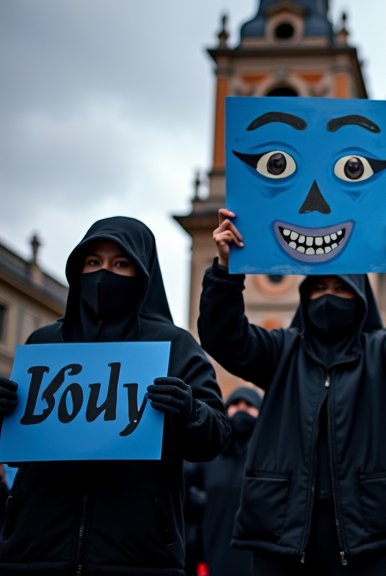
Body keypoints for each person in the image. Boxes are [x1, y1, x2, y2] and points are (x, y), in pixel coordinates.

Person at [198, 209, 386, 575]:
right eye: (319, 288)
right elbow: (223, 335)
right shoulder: (279, 350)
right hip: (283, 530)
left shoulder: (383, 353)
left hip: (371, 534)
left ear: (360, 296)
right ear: (305, 296)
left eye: (341, 288)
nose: (329, 297)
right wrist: (224, 270)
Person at [0, 216, 231, 575]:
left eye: (120, 263)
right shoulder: (44, 342)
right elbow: (18, 450)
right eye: (93, 262)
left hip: (138, 559)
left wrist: (188, 411)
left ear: (143, 271)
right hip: (33, 554)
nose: (104, 273)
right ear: (77, 269)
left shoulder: (174, 345)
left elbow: (216, 436)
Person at [190, 387, 263, 576]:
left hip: (257, 562)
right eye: (235, 404)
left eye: (249, 405)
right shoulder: (208, 456)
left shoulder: (267, 458)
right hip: (213, 559)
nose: (241, 410)